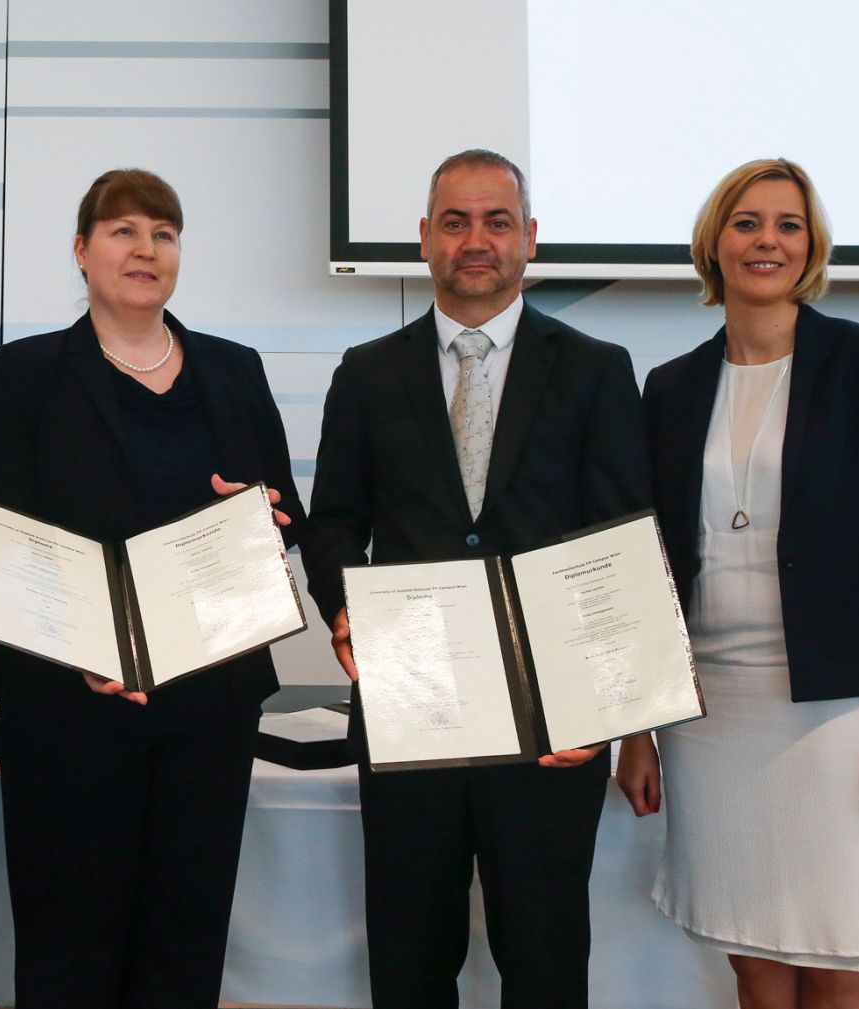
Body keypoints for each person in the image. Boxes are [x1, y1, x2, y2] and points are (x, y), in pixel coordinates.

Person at [303, 149, 649, 1009]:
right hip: (410, 703)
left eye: (497, 221)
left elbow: (622, 540)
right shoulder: (367, 371)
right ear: (424, 239)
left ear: (530, 239)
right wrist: (347, 610)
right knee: (411, 963)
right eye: (455, 222)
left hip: (551, 717)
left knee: (544, 961)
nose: (476, 240)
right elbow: (337, 519)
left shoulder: (597, 369)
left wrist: (612, 706)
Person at [0, 168, 303, 1009]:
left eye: (163, 233)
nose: (145, 249)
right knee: (67, 943)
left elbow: (286, 512)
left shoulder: (235, 370)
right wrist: (76, 646)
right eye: (123, 231)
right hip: (65, 703)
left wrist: (260, 517)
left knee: (185, 939)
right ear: (81, 251)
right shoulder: (27, 371)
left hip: (208, 703)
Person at [616, 158, 859, 1009]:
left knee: (842, 949)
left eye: (788, 224)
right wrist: (639, 728)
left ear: (811, 247)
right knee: (754, 956)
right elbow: (651, 568)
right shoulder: (673, 387)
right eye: (748, 222)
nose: (768, 239)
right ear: (714, 244)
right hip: (712, 715)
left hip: (841, 712)